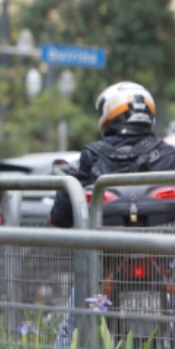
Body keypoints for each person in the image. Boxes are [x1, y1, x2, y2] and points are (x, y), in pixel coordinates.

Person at [49, 81, 175, 348]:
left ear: (109, 114)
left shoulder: (93, 155)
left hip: (106, 257)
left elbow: (61, 214)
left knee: (75, 319)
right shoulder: (168, 155)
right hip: (163, 252)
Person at [50, 81, 175, 228]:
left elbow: (59, 218)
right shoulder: (168, 154)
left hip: (102, 249)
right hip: (162, 248)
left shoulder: (92, 155)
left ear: (110, 111)